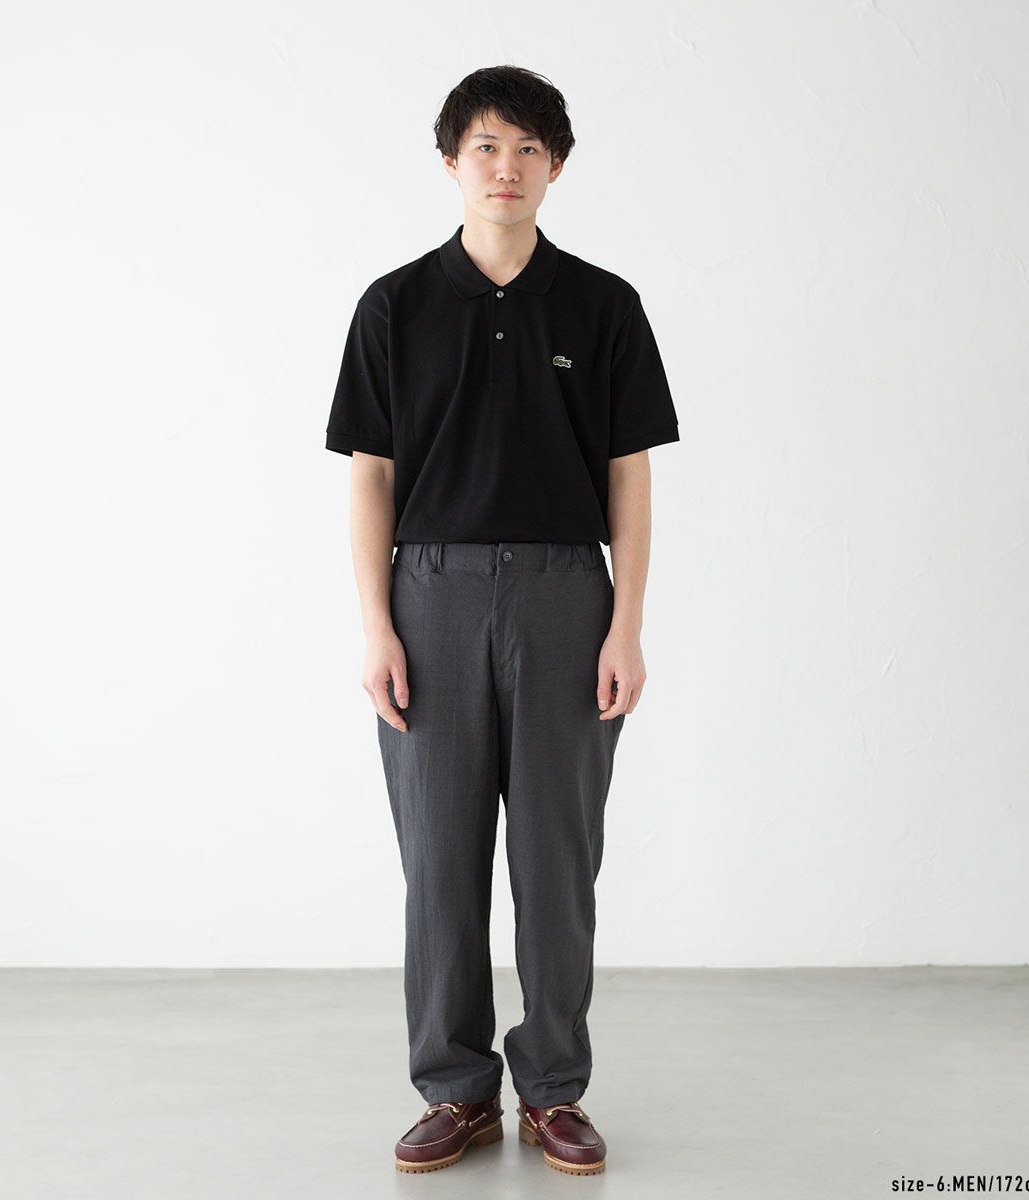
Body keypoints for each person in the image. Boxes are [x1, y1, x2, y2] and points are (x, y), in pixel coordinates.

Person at [324, 64, 680, 1177]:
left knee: (556, 858)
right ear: (451, 162)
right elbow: (371, 475)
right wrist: (377, 625)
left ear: (556, 166)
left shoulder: (603, 306)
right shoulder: (394, 307)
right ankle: (455, 1088)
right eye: (486, 146)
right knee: (439, 858)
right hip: (428, 594)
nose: (506, 167)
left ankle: (555, 1089)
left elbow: (629, 474)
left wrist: (625, 623)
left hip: (568, 595)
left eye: (529, 148)